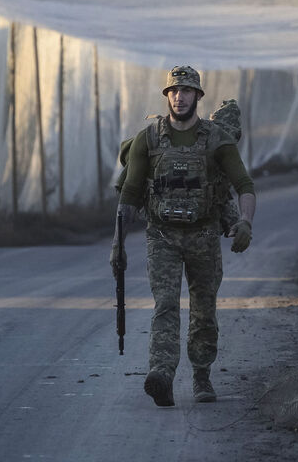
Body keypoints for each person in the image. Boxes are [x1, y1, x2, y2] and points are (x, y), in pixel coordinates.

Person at [110, 65, 256, 407]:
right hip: (162, 236)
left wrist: (245, 221)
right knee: (165, 305)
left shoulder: (217, 139)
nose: (179, 96)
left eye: (187, 91)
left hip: (204, 236)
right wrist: (117, 242)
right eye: (173, 91)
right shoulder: (148, 139)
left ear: (198, 96)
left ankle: (202, 375)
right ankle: (161, 374)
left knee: (204, 310)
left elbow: (244, 185)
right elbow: (129, 194)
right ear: (167, 96)